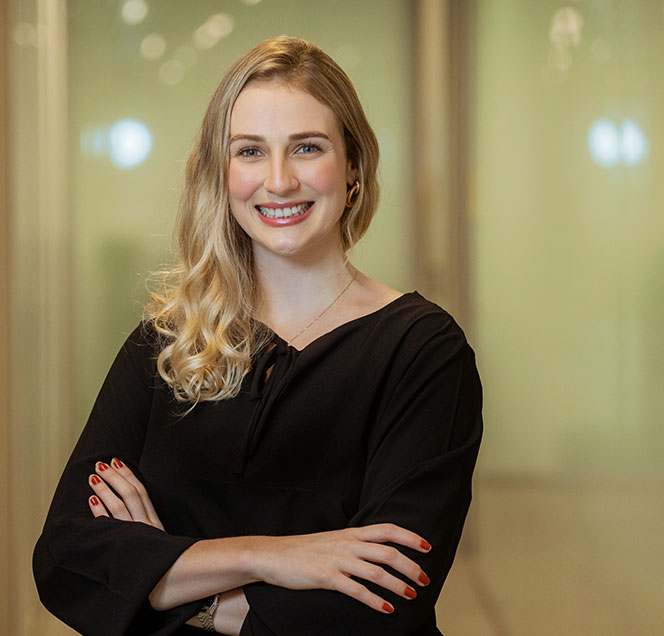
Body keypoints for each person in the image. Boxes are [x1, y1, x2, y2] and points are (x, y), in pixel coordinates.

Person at [33, 35, 482, 636]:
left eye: (306, 148)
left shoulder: (423, 351)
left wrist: (170, 580)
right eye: (249, 151)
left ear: (353, 167)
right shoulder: (168, 340)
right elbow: (67, 557)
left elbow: (387, 599)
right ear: (221, 174)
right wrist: (270, 556)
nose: (278, 180)